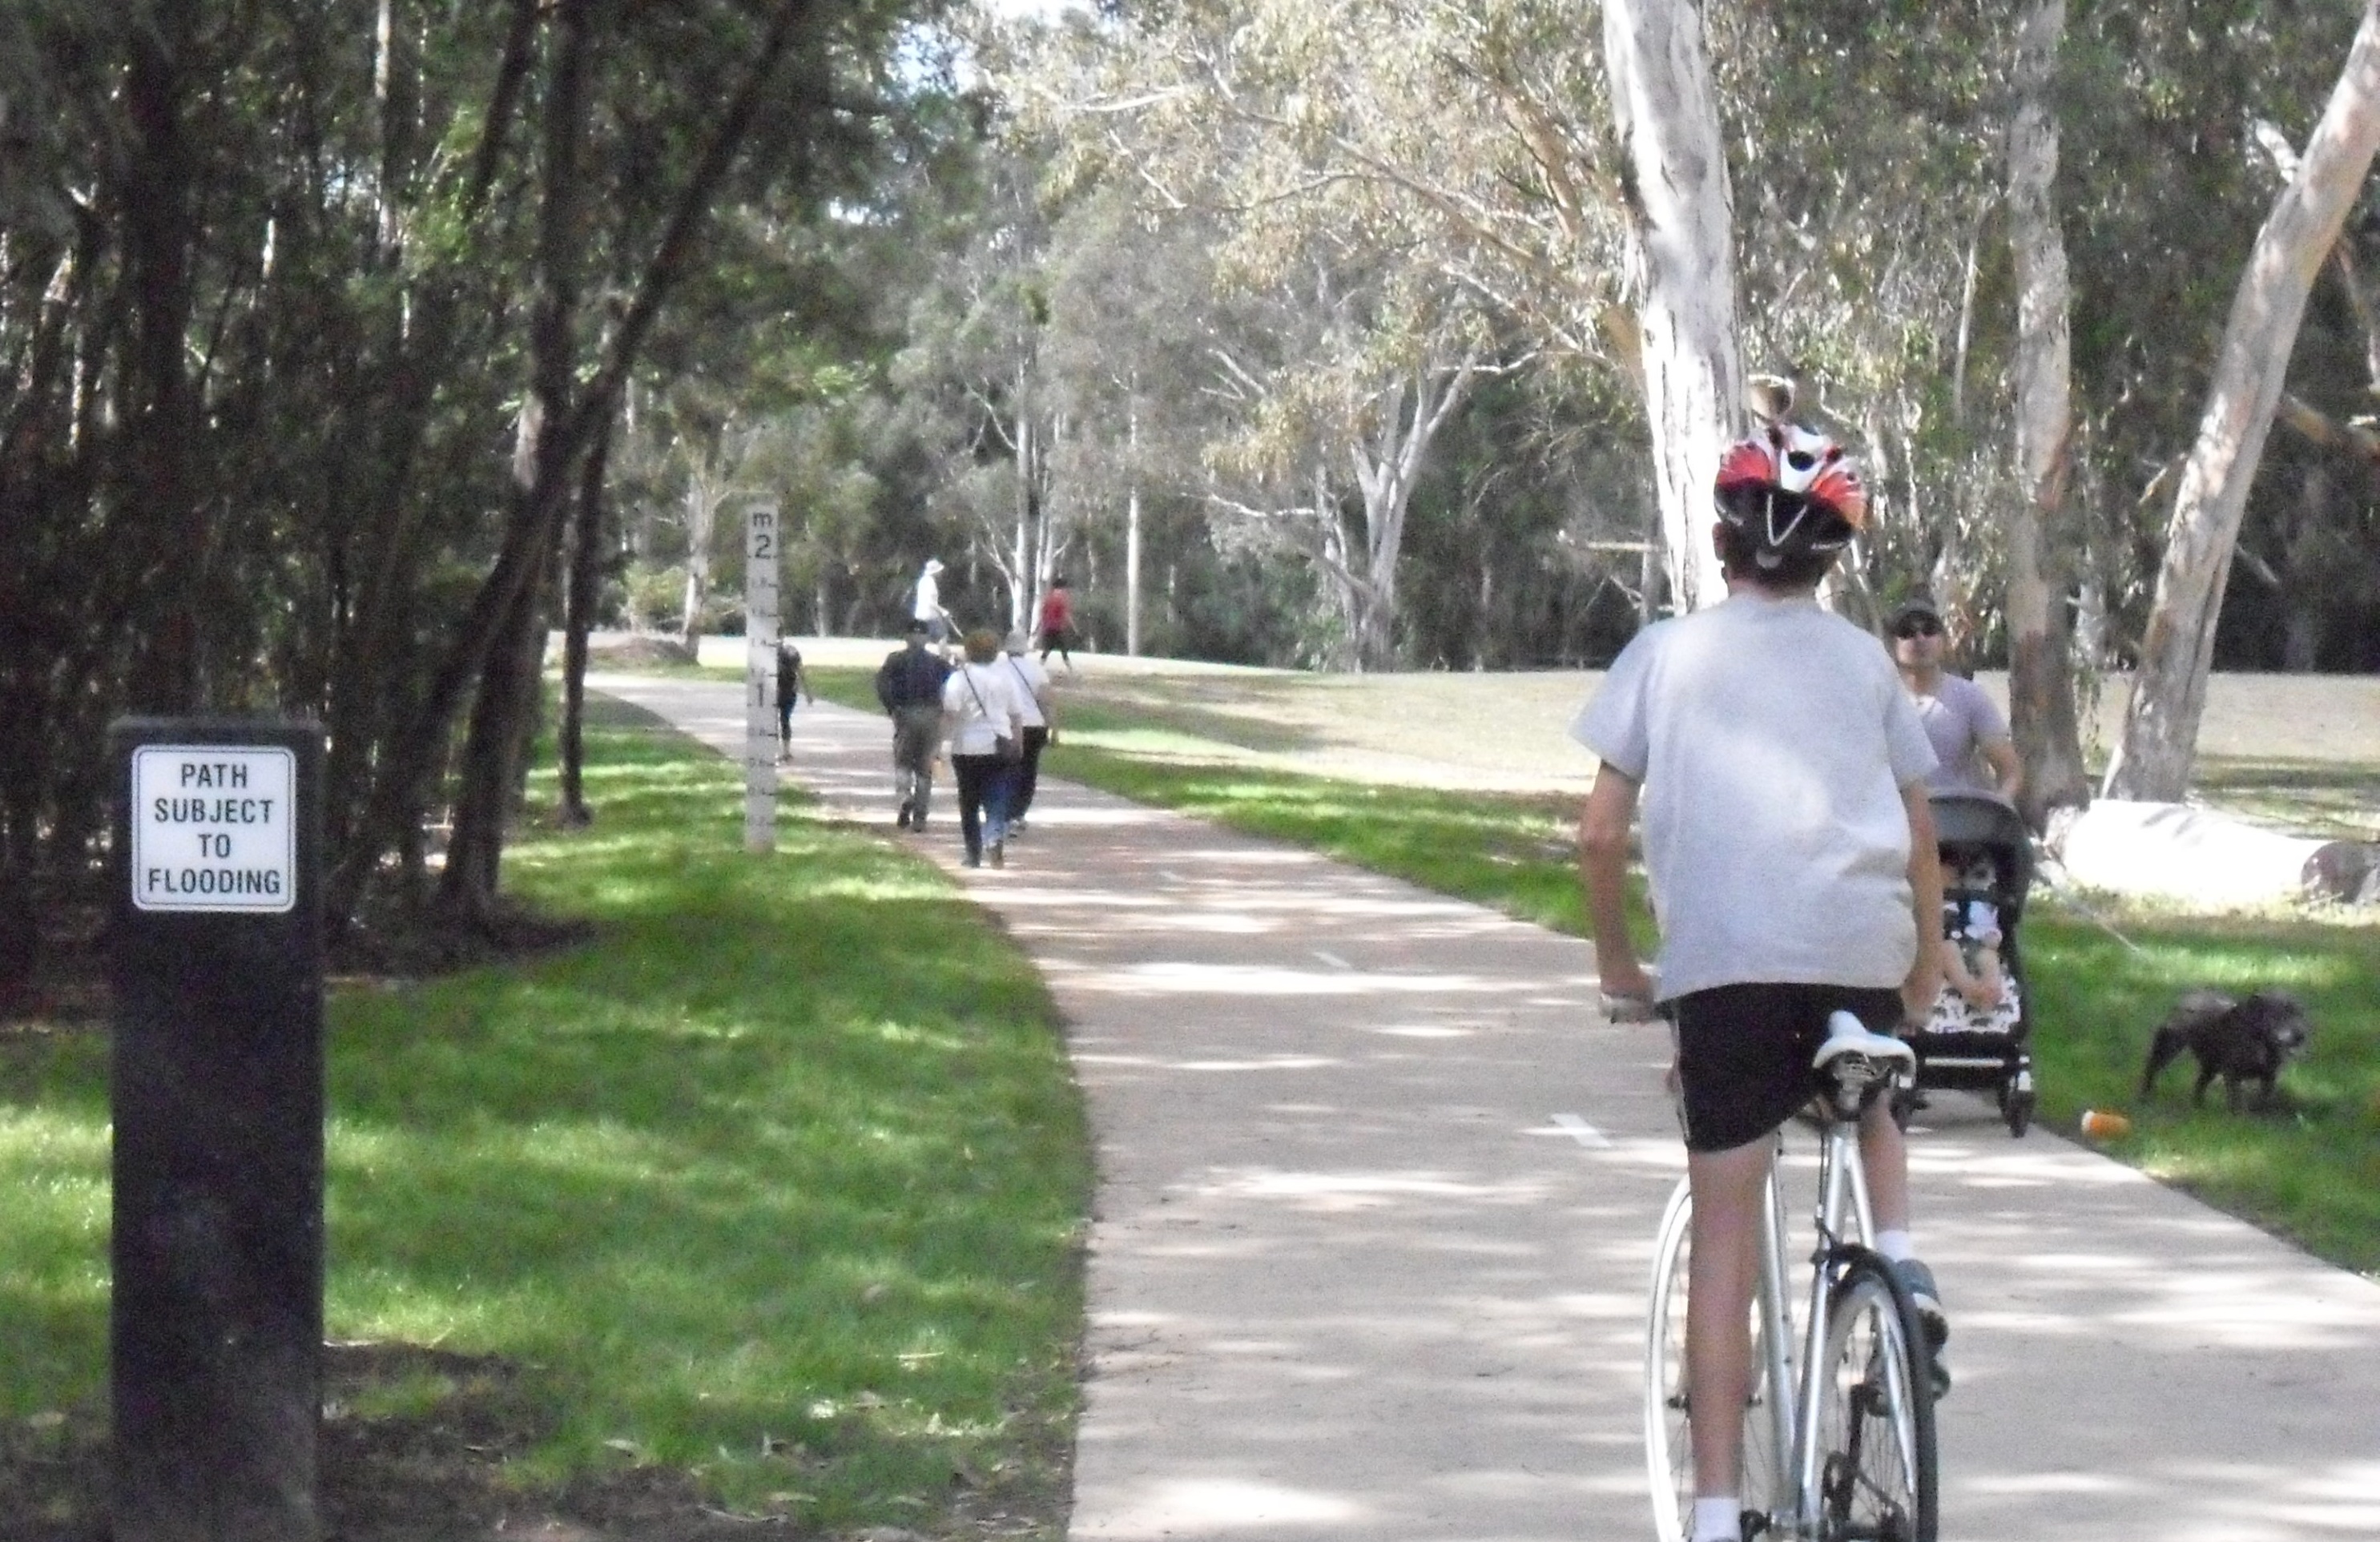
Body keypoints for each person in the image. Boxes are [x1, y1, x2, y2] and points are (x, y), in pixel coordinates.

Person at [1573, 415, 1950, 1542]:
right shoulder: (1864, 665)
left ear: (1722, 543)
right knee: (1867, 1083)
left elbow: (1598, 837)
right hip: (1860, 955)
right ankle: (1896, 1262)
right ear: (1831, 555)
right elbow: (1920, 835)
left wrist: (1619, 967)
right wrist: (1923, 971)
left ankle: (1713, 1512)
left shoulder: (1660, 654)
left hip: (1725, 973)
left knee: (1724, 1238)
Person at [1887, 595, 2024, 800]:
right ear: (1892, 645)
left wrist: (2000, 807)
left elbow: (2010, 770)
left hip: (1961, 821)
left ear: (1943, 641)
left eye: (1929, 630)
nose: (1920, 639)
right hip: (1898, 823)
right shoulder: (1880, 700)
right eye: (1907, 632)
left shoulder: (1969, 696)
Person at [941, 629, 1025, 868]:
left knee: (968, 802)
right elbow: (1016, 715)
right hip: (999, 744)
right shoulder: (1005, 678)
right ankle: (994, 835)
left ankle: (973, 854)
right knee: (997, 797)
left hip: (966, 747)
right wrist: (1018, 744)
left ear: (968, 651)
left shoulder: (959, 679)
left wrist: (938, 745)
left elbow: (950, 714)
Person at [875, 618, 952, 830]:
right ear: (927, 638)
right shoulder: (939, 663)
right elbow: (953, 685)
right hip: (932, 715)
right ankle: (920, 818)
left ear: (906, 637)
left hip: (906, 714)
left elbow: (882, 685)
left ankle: (904, 797)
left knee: (903, 762)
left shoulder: (895, 660)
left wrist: (892, 708)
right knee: (926, 768)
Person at [998, 629, 1057, 833]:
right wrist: (1054, 729)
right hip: (1034, 726)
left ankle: (1004, 811)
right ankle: (1018, 812)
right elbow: (1046, 703)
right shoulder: (1037, 670)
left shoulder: (998, 669)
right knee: (1028, 770)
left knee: (1005, 769)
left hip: (1005, 726)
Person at [774, 637, 812, 763]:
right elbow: (801, 672)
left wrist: (807, 692)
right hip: (778, 691)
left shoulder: (790, 652)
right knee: (777, 721)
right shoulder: (789, 651)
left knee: (783, 720)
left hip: (787, 691)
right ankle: (780, 751)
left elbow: (801, 672)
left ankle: (785, 751)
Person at [1035, 577, 1076, 672]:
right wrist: (1074, 628)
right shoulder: (1063, 598)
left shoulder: (1048, 597)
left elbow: (1042, 614)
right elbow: (1066, 614)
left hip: (1048, 627)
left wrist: (1038, 627)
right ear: (1063, 587)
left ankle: (1040, 666)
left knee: (1047, 649)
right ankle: (1070, 669)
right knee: (1064, 649)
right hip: (1058, 627)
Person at [912, 558, 954, 644]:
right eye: (940, 571)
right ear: (936, 572)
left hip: (919, 614)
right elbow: (930, 601)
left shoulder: (923, 581)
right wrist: (943, 611)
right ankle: (943, 655)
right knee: (943, 635)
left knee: (924, 638)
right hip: (930, 615)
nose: (941, 573)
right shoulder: (930, 582)